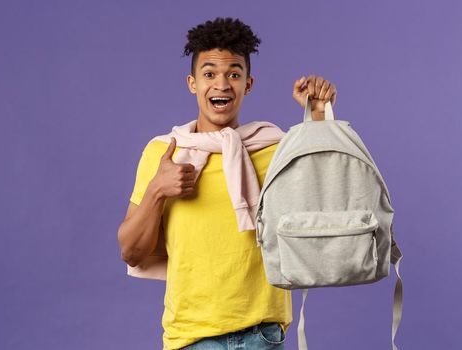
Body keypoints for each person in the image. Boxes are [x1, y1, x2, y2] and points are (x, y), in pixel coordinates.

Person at [116, 17, 337, 350]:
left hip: (262, 335)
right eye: (209, 74)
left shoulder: (274, 149)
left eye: (233, 74)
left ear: (248, 84)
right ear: (192, 83)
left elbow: (325, 204)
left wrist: (318, 115)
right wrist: (157, 190)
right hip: (191, 338)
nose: (221, 84)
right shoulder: (164, 152)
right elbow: (131, 252)